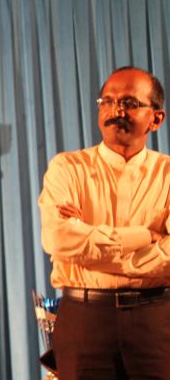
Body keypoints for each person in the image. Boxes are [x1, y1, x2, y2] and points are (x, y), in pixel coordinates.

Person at [38, 66, 170, 379]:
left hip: (155, 321)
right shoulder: (68, 168)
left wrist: (89, 251)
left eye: (129, 103)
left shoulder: (167, 173)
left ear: (156, 118)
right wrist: (146, 237)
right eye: (107, 101)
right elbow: (58, 240)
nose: (115, 111)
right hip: (85, 319)